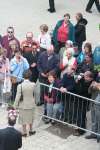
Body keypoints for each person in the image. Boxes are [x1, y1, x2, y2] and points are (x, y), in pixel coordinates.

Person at [14, 69, 36, 137]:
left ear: (23, 76)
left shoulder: (20, 86)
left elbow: (17, 97)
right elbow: (35, 94)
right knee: (31, 118)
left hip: (23, 105)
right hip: (31, 104)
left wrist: (15, 106)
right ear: (30, 76)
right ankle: (31, 130)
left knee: (23, 119)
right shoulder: (33, 84)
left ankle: (24, 132)